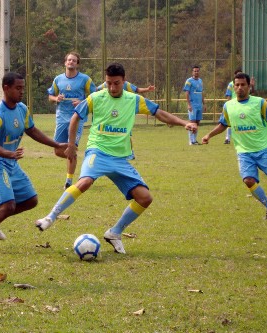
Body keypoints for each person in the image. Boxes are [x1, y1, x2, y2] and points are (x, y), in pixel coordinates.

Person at [35, 63, 197, 254]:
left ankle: (115, 232)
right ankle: (51, 217)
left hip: (120, 158)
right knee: (85, 182)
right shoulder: (95, 97)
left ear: (124, 81)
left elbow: (159, 114)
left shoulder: (134, 100)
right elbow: (75, 118)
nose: (112, 88)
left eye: (116, 84)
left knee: (145, 198)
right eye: (109, 83)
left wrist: (184, 122)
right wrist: (71, 145)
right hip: (98, 151)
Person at [0, 72, 67, 255]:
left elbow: (32, 130)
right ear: (6, 88)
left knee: (30, 200)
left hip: (10, 162)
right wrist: (9, 153)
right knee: (9, 205)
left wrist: (56, 144)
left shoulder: (22, 109)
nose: (21, 92)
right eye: (18, 88)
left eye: (22, 88)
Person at [202, 72, 267, 219]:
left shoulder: (260, 103)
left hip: (263, 150)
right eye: (236, 85)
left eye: (243, 85)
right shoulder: (228, 106)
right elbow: (223, 125)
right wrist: (208, 135)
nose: (239, 88)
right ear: (233, 87)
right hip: (244, 152)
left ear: (249, 86)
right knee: (248, 181)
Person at [48, 52, 97, 189]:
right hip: (61, 117)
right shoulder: (58, 79)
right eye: (69, 60)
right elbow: (50, 95)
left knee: (71, 147)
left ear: (77, 64)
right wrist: (56, 98)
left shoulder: (85, 79)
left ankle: (68, 181)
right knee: (58, 150)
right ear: (65, 62)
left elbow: (95, 96)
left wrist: (82, 101)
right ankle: (75, 158)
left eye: (74, 60)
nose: (71, 62)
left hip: (78, 117)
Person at [97, 81, 156, 160]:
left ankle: (130, 152)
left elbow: (137, 90)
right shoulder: (106, 84)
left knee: (127, 134)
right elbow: (96, 89)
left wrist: (147, 89)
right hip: (111, 114)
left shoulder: (126, 84)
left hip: (124, 114)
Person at [224, 69, 256, 144]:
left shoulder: (246, 84)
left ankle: (246, 138)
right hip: (234, 106)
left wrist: (252, 86)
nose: (239, 87)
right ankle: (227, 138)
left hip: (245, 105)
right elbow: (228, 95)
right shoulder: (231, 84)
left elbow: (252, 92)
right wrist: (229, 105)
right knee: (230, 122)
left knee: (245, 122)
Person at [183, 65, 206, 145]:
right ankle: (191, 141)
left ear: (199, 72)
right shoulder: (189, 81)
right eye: (195, 71)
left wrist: (204, 104)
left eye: (197, 71)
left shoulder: (200, 81)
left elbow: (202, 93)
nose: (196, 72)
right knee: (192, 123)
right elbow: (187, 93)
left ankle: (195, 140)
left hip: (199, 105)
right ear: (192, 72)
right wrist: (189, 104)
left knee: (197, 123)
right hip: (193, 105)